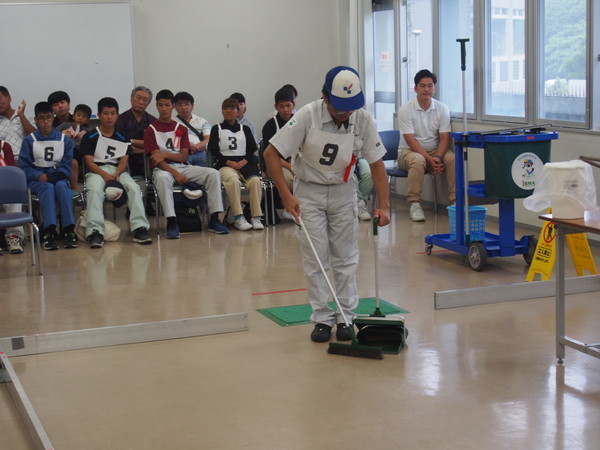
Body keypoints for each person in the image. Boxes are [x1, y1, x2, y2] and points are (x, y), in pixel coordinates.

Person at [264, 66, 390, 343]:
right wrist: (286, 195)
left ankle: (346, 316)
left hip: (344, 192)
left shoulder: (363, 119)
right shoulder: (307, 115)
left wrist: (385, 205)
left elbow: (377, 164)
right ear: (325, 97)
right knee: (316, 258)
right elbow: (270, 154)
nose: (345, 112)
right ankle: (322, 318)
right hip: (309, 193)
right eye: (340, 106)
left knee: (346, 257)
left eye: (350, 106)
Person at [144, 89, 229, 238]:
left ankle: (215, 219)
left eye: (167, 105)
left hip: (183, 166)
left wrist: (165, 154)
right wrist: (175, 173)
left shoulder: (180, 129)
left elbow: (183, 155)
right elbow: (157, 160)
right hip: (162, 169)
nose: (164, 109)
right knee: (163, 179)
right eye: (161, 105)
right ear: (156, 106)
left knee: (213, 173)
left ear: (172, 106)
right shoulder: (150, 130)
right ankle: (172, 221)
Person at [79, 97, 152, 248]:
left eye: (113, 113)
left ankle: (140, 228)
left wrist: (117, 173)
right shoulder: (89, 136)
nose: (109, 117)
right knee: (94, 190)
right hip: (97, 171)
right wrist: (105, 175)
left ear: (117, 115)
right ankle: (95, 231)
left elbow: (124, 160)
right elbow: (89, 162)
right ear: (99, 115)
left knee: (133, 187)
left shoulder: (122, 136)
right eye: (106, 113)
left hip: (118, 171)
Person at [396, 69, 455, 222]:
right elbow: (410, 140)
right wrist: (430, 159)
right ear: (415, 88)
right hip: (408, 152)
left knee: (452, 158)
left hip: (435, 152)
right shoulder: (406, 109)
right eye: (422, 86)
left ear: (434, 88)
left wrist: (439, 158)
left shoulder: (442, 108)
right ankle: (415, 204)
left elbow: (444, 137)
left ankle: (454, 204)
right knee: (418, 159)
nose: (427, 89)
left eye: (430, 86)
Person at [19, 101, 77, 250]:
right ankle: (49, 230)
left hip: (57, 177)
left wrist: (55, 176)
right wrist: (38, 175)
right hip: (37, 180)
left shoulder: (64, 140)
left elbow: (67, 165)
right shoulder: (29, 140)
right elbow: (24, 166)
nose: (46, 121)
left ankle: (68, 229)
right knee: (47, 188)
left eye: (48, 117)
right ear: (36, 120)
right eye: (42, 118)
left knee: (62, 187)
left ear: (53, 117)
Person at [208, 97, 263, 231]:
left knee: (255, 181)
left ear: (238, 111)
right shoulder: (217, 128)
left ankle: (256, 217)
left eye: (232, 108)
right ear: (222, 111)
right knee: (233, 181)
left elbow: (252, 148)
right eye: (225, 108)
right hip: (225, 165)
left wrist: (244, 161)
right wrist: (228, 162)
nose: (228, 111)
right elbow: (214, 150)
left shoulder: (245, 129)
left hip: (245, 164)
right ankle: (238, 217)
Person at [262, 87, 296, 220]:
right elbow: (271, 156)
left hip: (296, 162)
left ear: (294, 105)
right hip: (277, 164)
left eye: (288, 105)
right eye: (282, 106)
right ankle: (288, 206)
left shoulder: (299, 123)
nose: (285, 109)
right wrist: (291, 167)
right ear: (276, 107)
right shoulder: (270, 126)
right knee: (290, 179)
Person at [115, 86, 157, 177]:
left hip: (147, 161)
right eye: (138, 98)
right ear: (131, 99)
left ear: (148, 103)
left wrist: (131, 141)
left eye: (145, 100)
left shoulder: (153, 121)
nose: (141, 102)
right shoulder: (120, 119)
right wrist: (144, 149)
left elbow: (154, 145)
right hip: (126, 161)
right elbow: (120, 145)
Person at [57, 103, 92, 190]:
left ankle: (76, 188)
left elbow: (90, 145)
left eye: (84, 117)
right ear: (73, 116)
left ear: (87, 120)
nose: (80, 118)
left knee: (76, 161)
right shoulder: (65, 125)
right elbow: (53, 134)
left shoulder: (87, 131)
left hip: (78, 154)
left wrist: (84, 139)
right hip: (63, 152)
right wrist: (61, 134)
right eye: (78, 115)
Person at [0, 139, 25, 254]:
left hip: (3, 186)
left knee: (14, 195)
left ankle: (14, 237)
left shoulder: (4, 146)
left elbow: (10, 174)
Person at [173, 91, 211, 167]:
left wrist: (196, 147)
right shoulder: (171, 122)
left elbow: (209, 139)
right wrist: (186, 146)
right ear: (175, 107)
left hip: (201, 153)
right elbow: (171, 141)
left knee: (209, 171)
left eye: (186, 104)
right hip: (181, 154)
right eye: (179, 104)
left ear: (192, 106)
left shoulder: (202, 121)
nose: (183, 107)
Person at [0, 86, 36, 161]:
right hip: (4, 162)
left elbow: (35, 137)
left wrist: (21, 116)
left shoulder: (27, 118)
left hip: (26, 160)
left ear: (9, 98)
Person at [354, 156, 373, 221]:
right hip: (344, 159)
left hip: (359, 156)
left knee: (369, 174)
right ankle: (359, 203)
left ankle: (362, 204)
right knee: (352, 178)